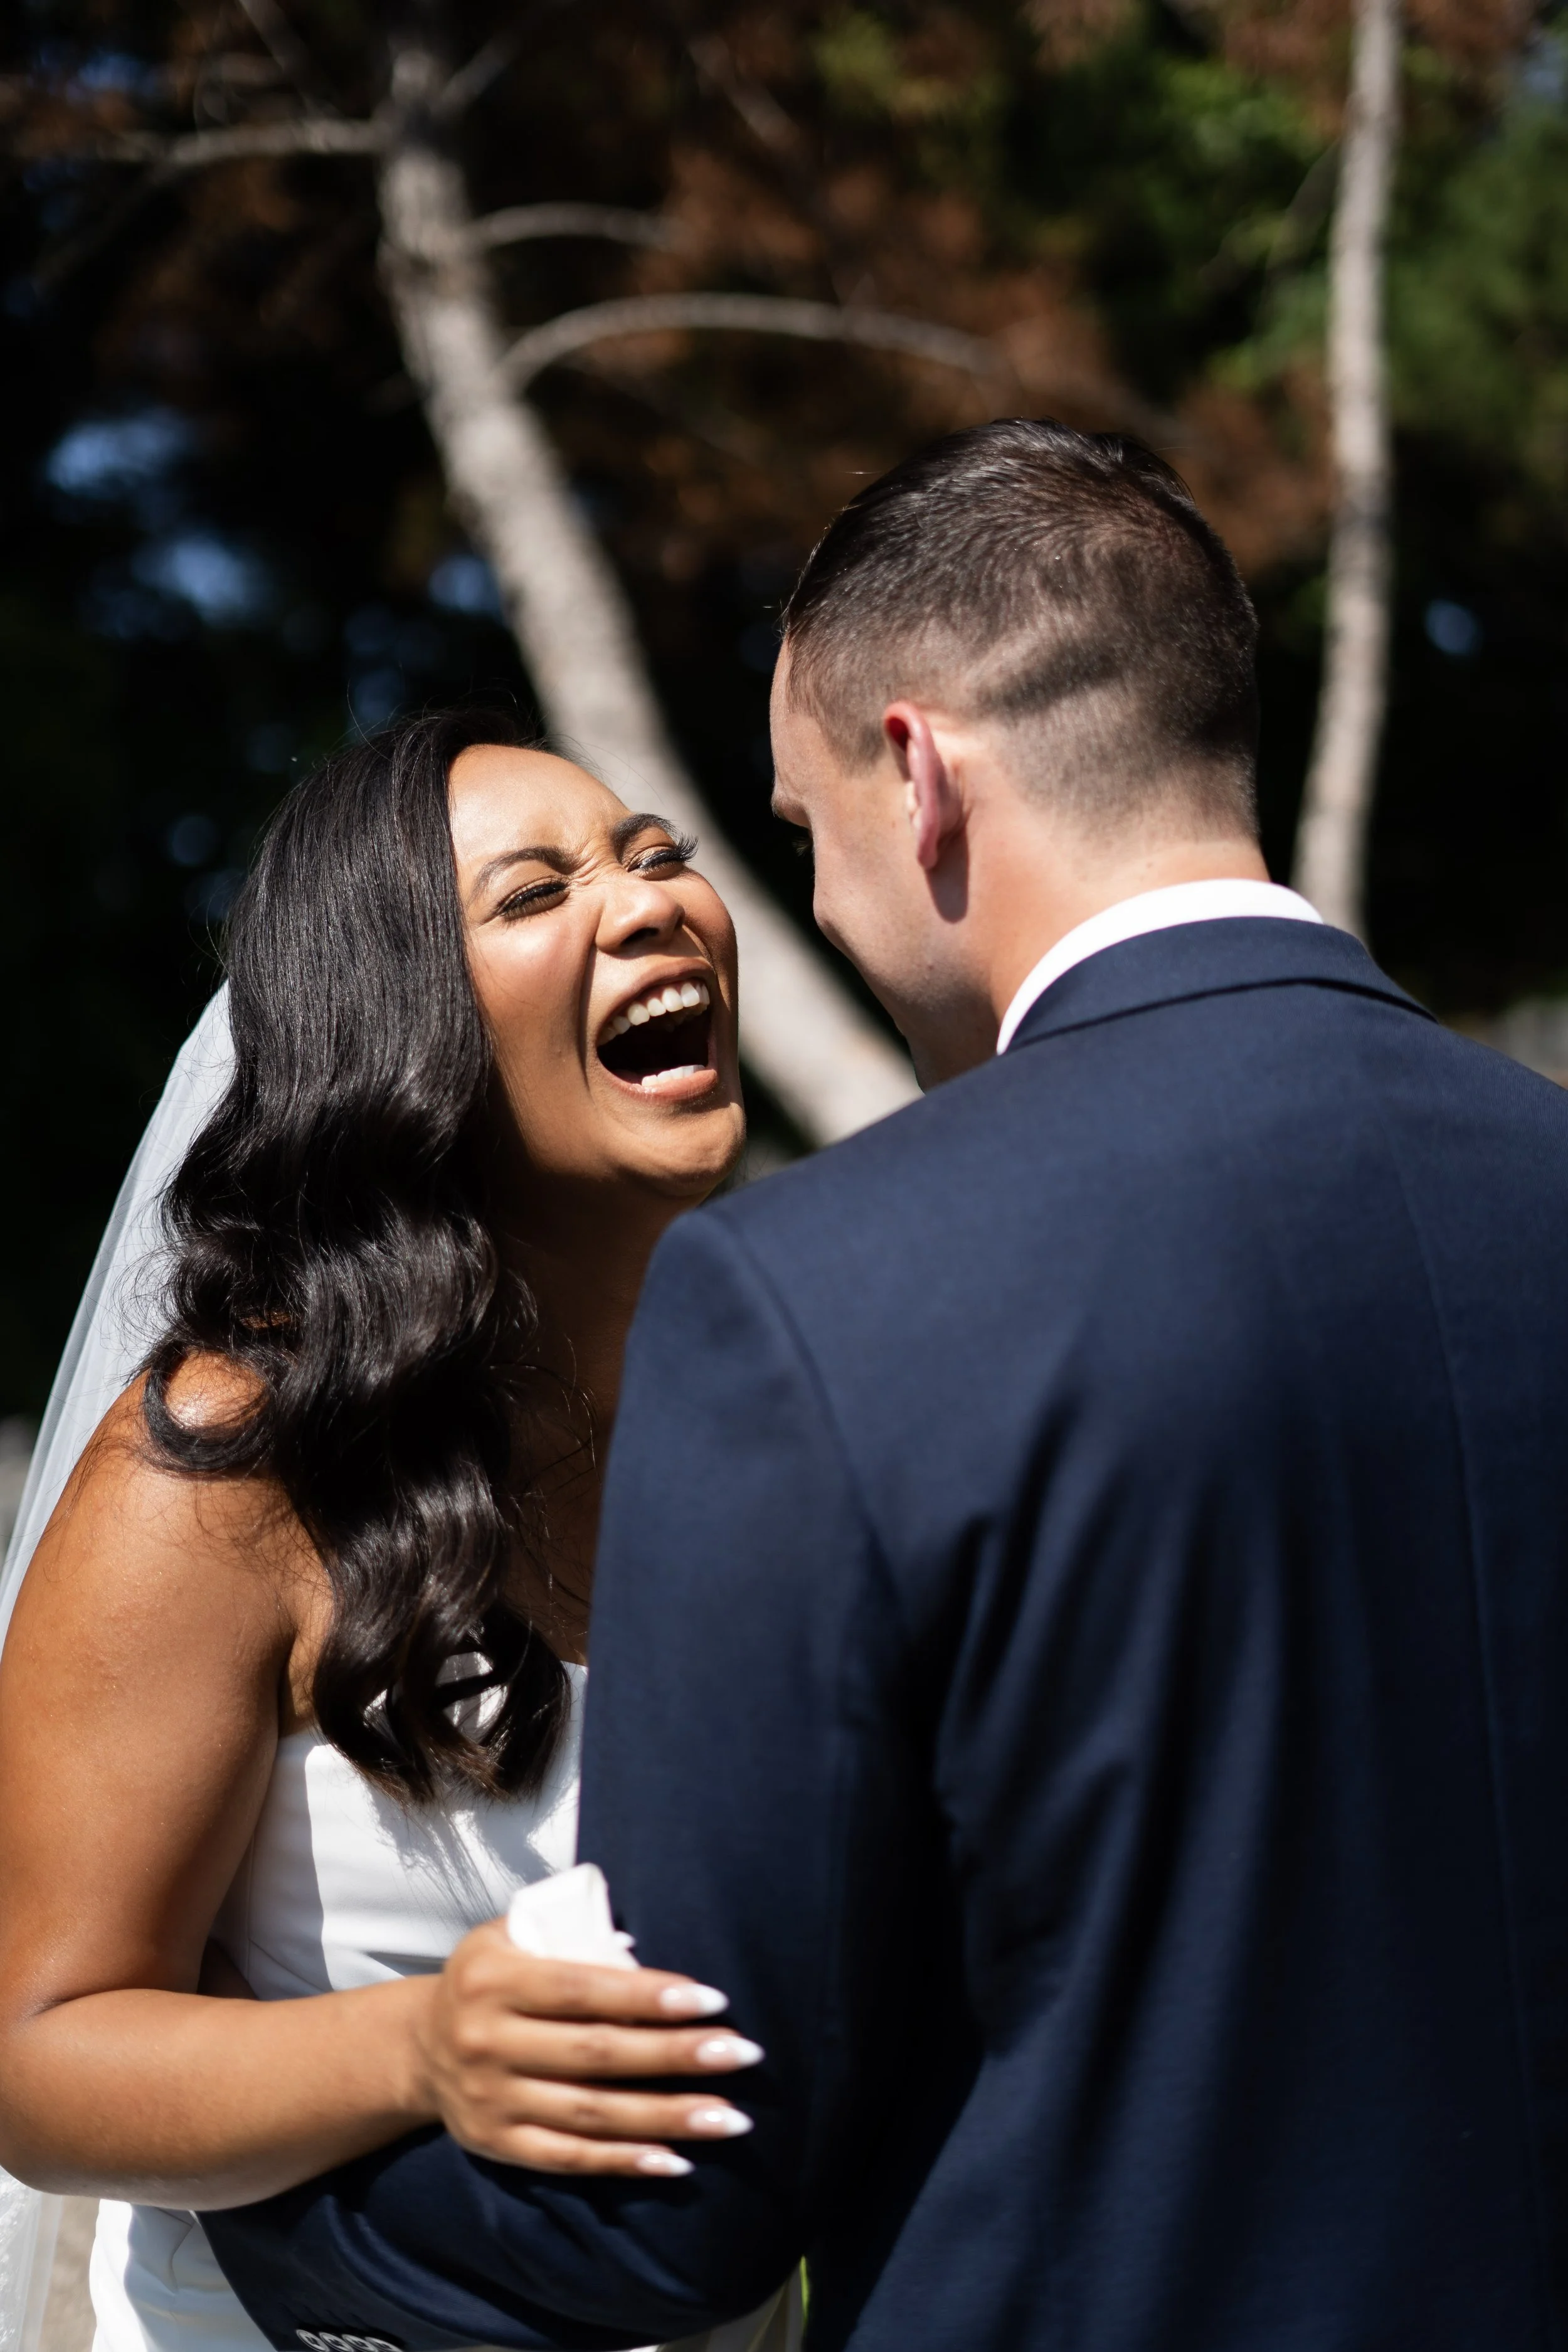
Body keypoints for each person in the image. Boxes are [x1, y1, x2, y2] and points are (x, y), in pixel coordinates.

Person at [203, 420, 1568, 2351]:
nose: (811, 912)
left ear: (917, 779)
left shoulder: (820, 1285)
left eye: (793, 829)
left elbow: (680, 2197)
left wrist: (249, 2230)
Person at [0, 709, 802, 2352]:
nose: (650, 901)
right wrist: (423, 2048)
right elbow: (35, 2052)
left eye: (656, 854)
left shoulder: (783, 1421)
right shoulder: (227, 1468)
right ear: (402, 1029)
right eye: (536, 893)